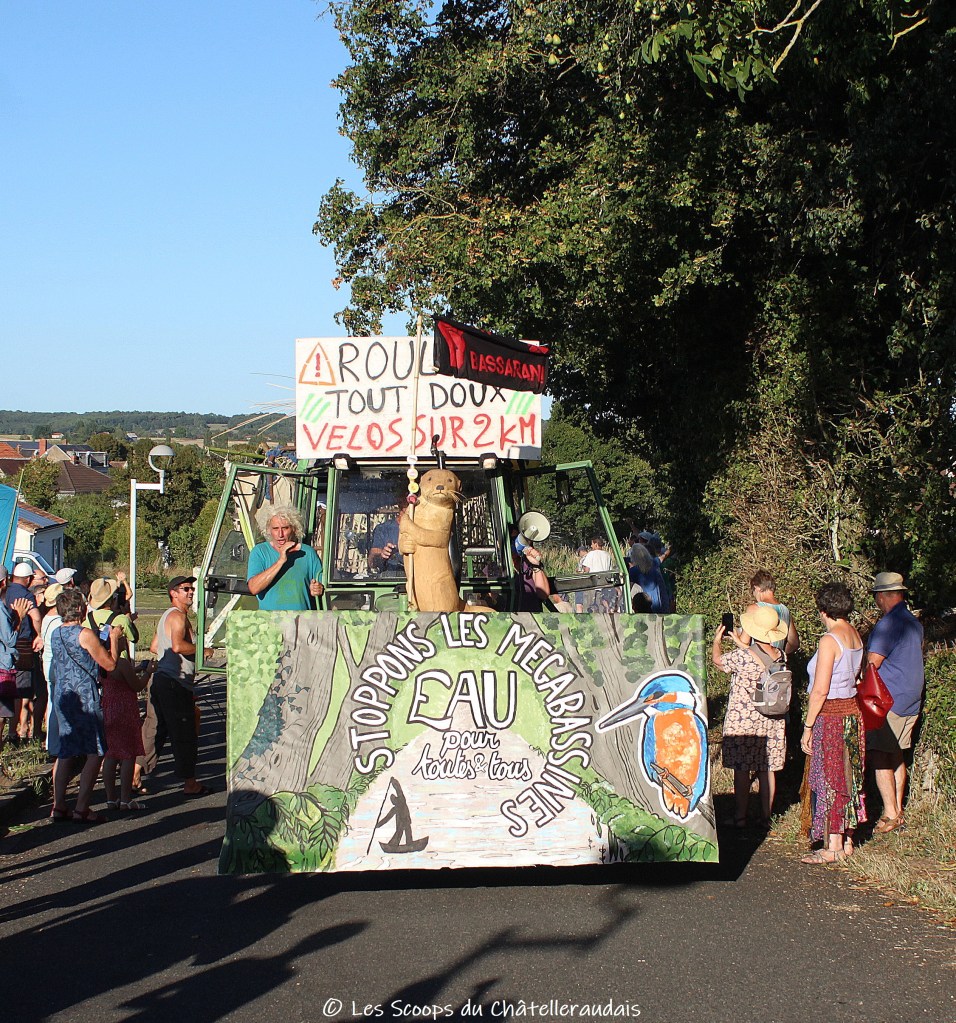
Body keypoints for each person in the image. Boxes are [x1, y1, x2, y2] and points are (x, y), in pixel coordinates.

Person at [799, 582, 866, 864]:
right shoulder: (855, 635)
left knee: (831, 778)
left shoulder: (829, 640)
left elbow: (820, 690)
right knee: (849, 775)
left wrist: (808, 726)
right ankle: (847, 839)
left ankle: (833, 845)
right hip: (852, 712)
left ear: (823, 610)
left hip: (831, 715)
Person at [712, 604, 789, 829]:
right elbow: (757, 656)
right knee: (767, 768)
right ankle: (766, 816)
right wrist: (740, 643)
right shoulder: (781, 655)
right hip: (771, 718)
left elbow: (719, 662)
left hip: (744, 719)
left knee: (742, 768)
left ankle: (740, 816)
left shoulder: (743, 656)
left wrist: (717, 642)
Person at [48, 587, 120, 822]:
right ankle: (82, 807)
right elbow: (109, 665)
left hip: (63, 694)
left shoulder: (56, 633)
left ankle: (59, 805)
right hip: (84, 695)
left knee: (66, 751)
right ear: (79, 608)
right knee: (95, 751)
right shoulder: (85, 634)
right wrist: (114, 640)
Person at [866, 571, 924, 834]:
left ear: (883, 596)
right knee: (898, 754)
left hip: (888, 701)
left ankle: (890, 814)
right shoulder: (912, 622)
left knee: (880, 756)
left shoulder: (888, 624)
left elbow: (872, 663)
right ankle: (898, 809)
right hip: (910, 699)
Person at [150, 576, 213, 797]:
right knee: (184, 734)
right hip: (175, 683)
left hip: (164, 680)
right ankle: (190, 783)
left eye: (192, 588)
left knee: (157, 732)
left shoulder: (167, 616)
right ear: (173, 593)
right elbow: (177, 646)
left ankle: (135, 774)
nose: (190, 592)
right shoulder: (177, 616)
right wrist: (202, 650)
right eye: (185, 589)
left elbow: (154, 646)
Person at [247, 503, 324, 610]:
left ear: (294, 529)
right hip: (269, 619)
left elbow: (322, 586)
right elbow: (254, 588)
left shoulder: (308, 553)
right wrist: (280, 561)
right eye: (275, 528)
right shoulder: (260, 552)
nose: (280, 534)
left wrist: (318, 588)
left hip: (302, 619)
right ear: (269, 530)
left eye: (285, 528)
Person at [4, 562, 43, 743]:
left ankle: (11, 730)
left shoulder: (6, 592)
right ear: (28, 579)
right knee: (22, 690)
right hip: (23, 644)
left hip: (5, 645)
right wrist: (39, 635)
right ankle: (19, 730)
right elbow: (36, 616)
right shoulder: (26, 595)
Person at [0, 567, 32, 761]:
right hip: (3, 666)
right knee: (1, 715)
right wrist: (18, 618)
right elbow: (10, 640)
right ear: (5, 582)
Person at [746, 569, 799, 655]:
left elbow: (745, 641)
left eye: (753, 592)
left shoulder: (755, 608)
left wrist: (734, 635)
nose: (754, 596)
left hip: (757, 659)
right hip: (777, 661)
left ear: (757, 588)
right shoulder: (785, 610)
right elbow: (794, 643)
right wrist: (778, 654)